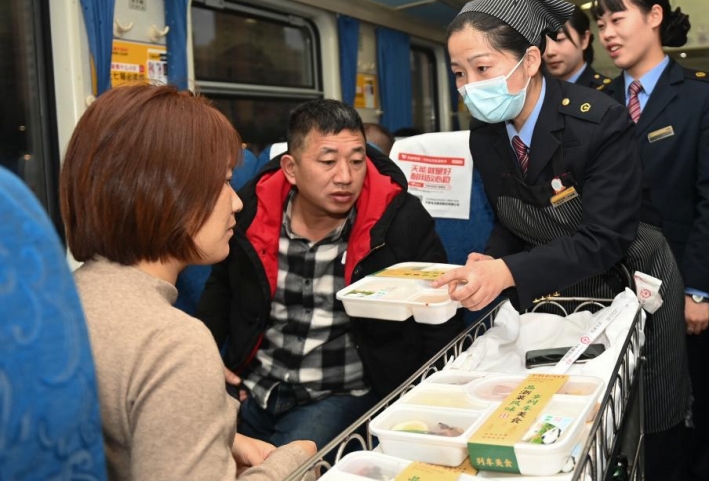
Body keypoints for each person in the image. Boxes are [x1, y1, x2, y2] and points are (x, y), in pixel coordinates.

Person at [432, 0, 691, 481]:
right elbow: (513, 221)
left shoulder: (598, 122)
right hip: (559, 287)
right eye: (459, 73)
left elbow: (606, 237)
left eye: (482, 68)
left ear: (530, 61)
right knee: (573, 426)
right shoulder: (485, 135)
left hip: (632, 280)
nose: (469, 86)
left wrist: (507, 271)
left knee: (646, 421)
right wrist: (486, 266)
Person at [59, 84, 317, 481]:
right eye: (223, 182)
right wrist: (289, 464)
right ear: (166, 193)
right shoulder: (174, 343)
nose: (236, 202)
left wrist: (221, 435)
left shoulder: (65, 297)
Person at [196, 99, 463, 449]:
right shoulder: (250, 212)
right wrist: (203, 360)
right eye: (327, 162)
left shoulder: (399, 221)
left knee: (287, 470)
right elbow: (221, 291)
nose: (345, 177)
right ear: (291, 169)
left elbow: (436, 308)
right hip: (254, 386)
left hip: (338, 393)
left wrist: (436, 400)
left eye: (356, 161)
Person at [592, 0, 709, 481]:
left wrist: (696, 290)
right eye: (601, 22)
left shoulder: (701, 96)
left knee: (691, 409)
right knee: (628, 412)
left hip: (686, 283)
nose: (608, 32)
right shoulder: (599, 102)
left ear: (654, 17)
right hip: (617, 287)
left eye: (618, 18)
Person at [543, 8, 612, 90]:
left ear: (584, 40)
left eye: (559, 39)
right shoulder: (539, 92)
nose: (549, 52)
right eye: (543, 43)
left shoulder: (607, 92)